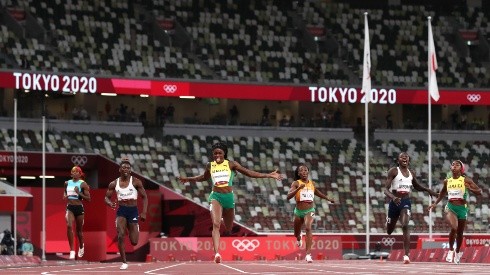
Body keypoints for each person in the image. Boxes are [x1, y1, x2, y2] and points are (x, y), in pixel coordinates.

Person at [177, 142, 283, 264]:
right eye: (215, 153)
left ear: (224, 154)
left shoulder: (231, 164)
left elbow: (249, 173)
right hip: (215, 196)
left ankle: (222, 216)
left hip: (229, 198)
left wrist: (269, 175)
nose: (217, 155)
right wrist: (189, 179)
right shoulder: (210, 165)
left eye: (220, 153)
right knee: (216, 225)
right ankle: (217, 253)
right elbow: (204, 177)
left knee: (228, 227)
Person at [383, 152, 438, 264]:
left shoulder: (411, 172)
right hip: (394, 202)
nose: (404, 158)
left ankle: (406, 255)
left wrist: (428, 190)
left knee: (405, 225)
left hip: (405, 202)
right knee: (389, 231)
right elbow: (385, 189)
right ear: (398, 160)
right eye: (402, 157)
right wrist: (393, 197)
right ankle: (389, 221)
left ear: (408, 161)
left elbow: (416, 186)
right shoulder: (393, 171)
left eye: (406, 157)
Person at [428, 160, 482, 264]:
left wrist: (470, 188)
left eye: (457, 165)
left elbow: (479, 192)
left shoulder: (466, 180)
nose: (454, 166)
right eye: (453, 164)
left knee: (460, 233)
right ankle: (451, 250)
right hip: (450, 207)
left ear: (461, 169)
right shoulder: (447, 181)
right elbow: (443, 192)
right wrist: (435, 203)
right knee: (454, 227)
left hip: (462, 208)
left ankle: (457, 252)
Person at [104, 157, 148, 270]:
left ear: (130, 170)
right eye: (123, 167)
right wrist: (109, 203)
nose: (126, 169)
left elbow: (144, 197)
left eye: (128, 168)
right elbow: (106, 197)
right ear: (119, 169)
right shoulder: (114, 183)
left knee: (134, 242)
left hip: (133, 211)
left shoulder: (136, 181)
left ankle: (134, 227)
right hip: (121, 211)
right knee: (120, 234)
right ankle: (124, 262)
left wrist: (144, 212)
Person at [286, 164, 334, 263]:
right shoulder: (296, 183)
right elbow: (288, 197)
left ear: (308, 172)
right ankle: (299, 238)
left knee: (308, 227)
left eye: (305, 170)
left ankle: (308, 255)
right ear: (298, 173)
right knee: (296, 234)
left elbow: (317, 192)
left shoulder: (312, 183)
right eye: (301, 170)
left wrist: (327, 198)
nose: (304, 172)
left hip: (310, 210)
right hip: (298, 212)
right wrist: (299, 189)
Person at [64, 166, 91, 259]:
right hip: (70, 207)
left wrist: (78, 192)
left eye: (76, 172)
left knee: (79, 231)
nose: (74, 173)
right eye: (73, 172)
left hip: (79, 208)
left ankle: (81, 246)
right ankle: (72, 250)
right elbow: (65, 192)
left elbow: (88, 199)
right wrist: (64, 195)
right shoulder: (67, 183)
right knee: (69, 225)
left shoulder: (83, 184)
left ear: (80, 174)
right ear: (71, 174)